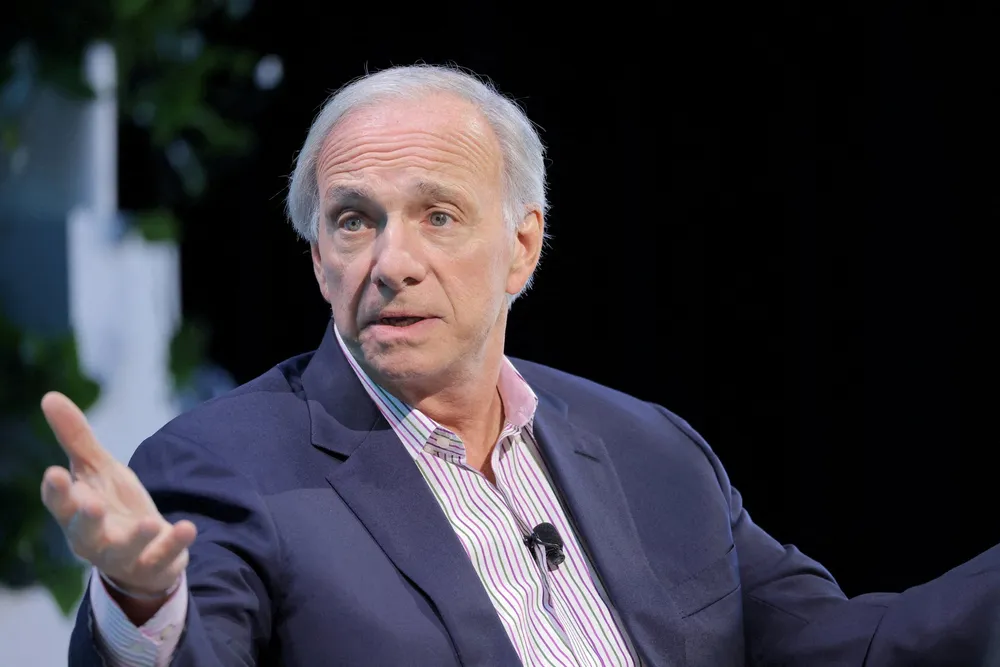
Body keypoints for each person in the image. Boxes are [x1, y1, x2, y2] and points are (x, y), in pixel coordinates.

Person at [40, 64, 1000, 667]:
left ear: (522, 247)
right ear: (319, 258)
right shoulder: (222, 467)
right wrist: (141, 605)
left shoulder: (649, 448)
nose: (393, 260)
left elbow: (848, 647)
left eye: (438, 215)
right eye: (355, 220)